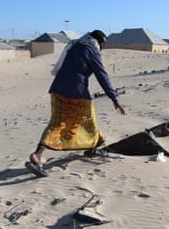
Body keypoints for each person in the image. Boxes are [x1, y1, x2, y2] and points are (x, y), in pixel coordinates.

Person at [28, 29, 125, 173]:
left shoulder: (74, 46)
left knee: (56, 123)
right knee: (88, 119)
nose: (102, 47)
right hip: (76, 92)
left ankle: (37, 154)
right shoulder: (92, 50)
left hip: (57, 89)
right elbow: (102, 75)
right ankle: (92, 148)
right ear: (97, 42)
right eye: (102, 44)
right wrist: (114, 98)